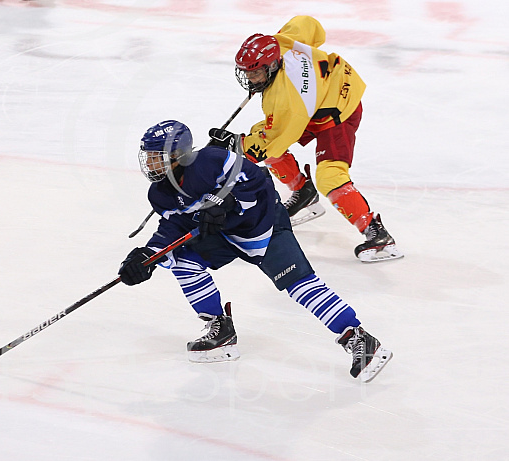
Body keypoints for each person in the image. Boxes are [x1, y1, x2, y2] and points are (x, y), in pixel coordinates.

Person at [118, 120, 392, 382]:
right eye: (149, 156)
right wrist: (149, 255)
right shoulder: (159, 193)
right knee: (182, 260)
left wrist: (228, 202)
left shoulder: (213, 160)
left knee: (299, 285)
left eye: (157, 156)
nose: (150, 163)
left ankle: (358, 337)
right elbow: (174, 224)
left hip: (263, 226)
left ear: (178, 154)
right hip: (223, 235)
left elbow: (259, 179)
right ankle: (220, 328)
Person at [208, 15, 403, 263]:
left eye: (256, 73)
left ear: (271, 65)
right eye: (247, 72)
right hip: (318, 98)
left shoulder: (287, 99)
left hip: (337, 110)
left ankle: (377, 235)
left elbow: (273, 141)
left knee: (330, 175)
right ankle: (304, 192)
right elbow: (307, 24)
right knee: (263, 134)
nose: (251, 79)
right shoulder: (282, 43)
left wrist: (236, 147)